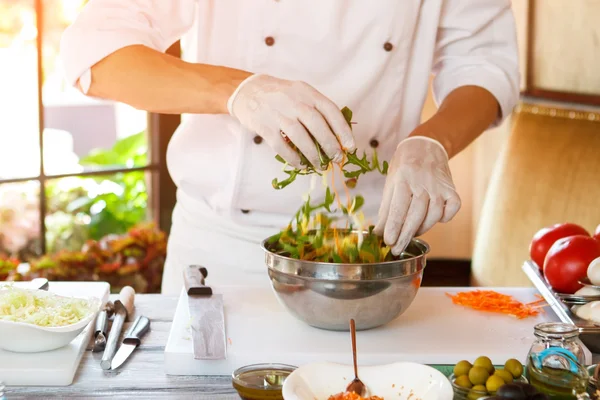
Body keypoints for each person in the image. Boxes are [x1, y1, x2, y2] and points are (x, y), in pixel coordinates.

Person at [60, 0, 519, 294]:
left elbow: (484, 62)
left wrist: (430, 141)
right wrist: (238, 90)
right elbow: (96, 53)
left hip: (371, 253)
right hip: (224, 255)